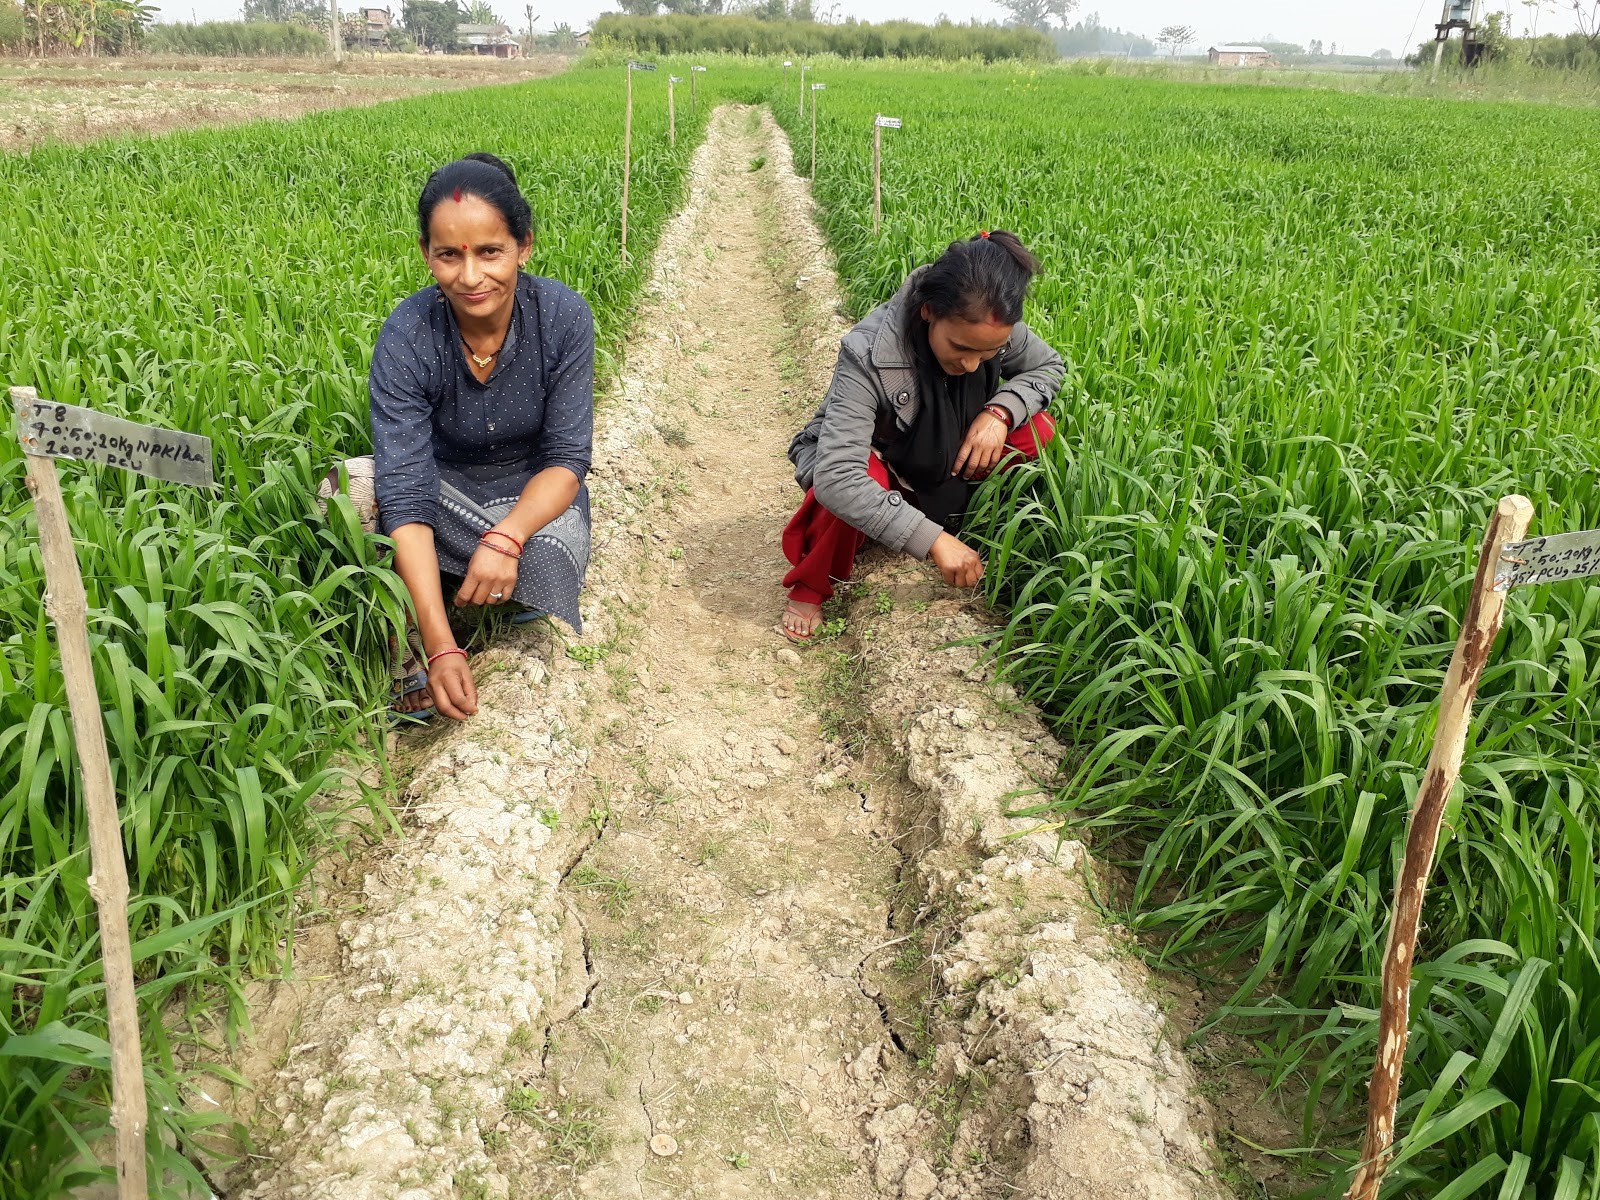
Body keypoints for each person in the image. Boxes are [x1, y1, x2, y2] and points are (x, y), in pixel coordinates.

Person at [318, 152, 594, 721]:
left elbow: (567, 459)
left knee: (546, 558)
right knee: (346, 489)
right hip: (440, 492)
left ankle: (483, 589)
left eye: (490, 252)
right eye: (449, 255)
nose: (470, 277)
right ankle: (414, 644)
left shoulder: (563, 317)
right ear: (427, 255)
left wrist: (507, 538)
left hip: (529, 500)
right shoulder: (408, 332)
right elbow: (405, 488)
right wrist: (442, 647)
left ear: (524, 246)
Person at [780, 231, 1063, 641]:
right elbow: (838, 477)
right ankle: (810, 586)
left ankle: (960, 515)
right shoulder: (868, 353)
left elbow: (1048, 367)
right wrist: (932, 541)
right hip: (887, 457)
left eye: (986, 355)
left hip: (945, 450)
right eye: (960, 347)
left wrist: (999, 412)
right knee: (852, 481)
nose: (971, 365)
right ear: (930, 311)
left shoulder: (993, 328)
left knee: (1038, 428)